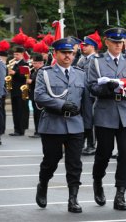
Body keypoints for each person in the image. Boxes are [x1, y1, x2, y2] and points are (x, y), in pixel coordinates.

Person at [34, 36, 90, 213]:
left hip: (75, 124)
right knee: (51, 160)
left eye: (71, 53)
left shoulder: (80, 74)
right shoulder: (45, 73)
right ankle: (43, 183)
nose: (68, 56)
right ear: (55, 53)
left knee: (74, 163)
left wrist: (88, 127)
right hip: (53, 123)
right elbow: (39, 96)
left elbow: (86, 102)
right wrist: (61, 104)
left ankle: (73, 199)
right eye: (64, 53)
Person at [88, 27, 126, 211]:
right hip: (105, 110)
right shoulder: (97, 62)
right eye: (115, 42)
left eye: (121, 42)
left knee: (125, 153)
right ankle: (98, 181)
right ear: (106, 42)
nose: (119, 45)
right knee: (104, 152)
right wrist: (107, 88)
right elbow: (92, 87)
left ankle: (120, 193)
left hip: (125, 111)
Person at [77, 32, 102, 155]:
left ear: (93, 46)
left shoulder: (96, 60)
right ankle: (82, 143)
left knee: (90, 119)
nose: (83, 47)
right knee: (82, 118)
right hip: (81, 93)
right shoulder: (82, 59)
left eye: (86, 45)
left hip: (91, 94)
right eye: (83, 45)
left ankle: (91, 144)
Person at [8, 46, 29, 136]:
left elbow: (24, 77)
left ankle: (21, 129)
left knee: (21, 110)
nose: (15, 56)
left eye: (17, 54)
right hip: (14, 91)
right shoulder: (14, 64)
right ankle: (16, 129)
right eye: (14, 54)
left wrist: (15, 73)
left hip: (21, 91)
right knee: (15, 110)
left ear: (22, 54)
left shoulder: (24, 64)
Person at [27, 54, 45, 138]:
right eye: (33, 63)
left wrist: (30, 80)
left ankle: (39, 131)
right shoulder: (35, 70)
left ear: (40, 63)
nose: (33, 64)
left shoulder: (42, 71)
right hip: (34, 95)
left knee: (39, 114)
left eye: (35, 63)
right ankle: (37, 130)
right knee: (35, 114)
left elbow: (35, 81)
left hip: (39, 96)